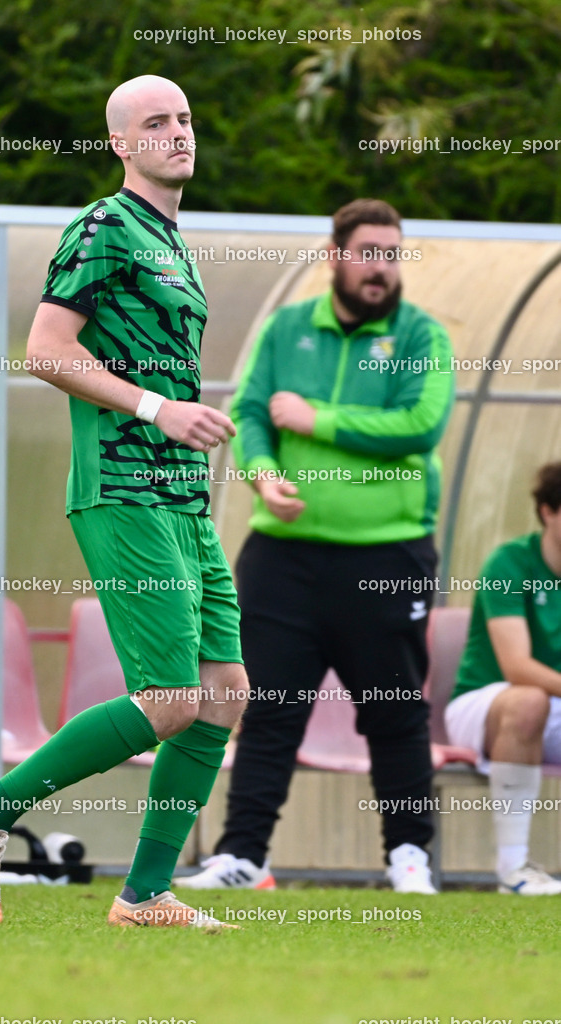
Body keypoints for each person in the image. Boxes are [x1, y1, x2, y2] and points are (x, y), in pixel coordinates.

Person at [0, 75, 247, 929]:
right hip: (122, 487)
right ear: (120, 143)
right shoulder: (105, 226)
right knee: (170, 699)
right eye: (157, 123)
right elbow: (45, 349)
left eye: (185, 119)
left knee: (222, 692)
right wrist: (156, 409)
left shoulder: (170, 238)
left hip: (182, 499)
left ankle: (145, 896)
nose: (178, 133)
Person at [176, 198, 454, 894]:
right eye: (367, 253)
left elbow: (420, 424)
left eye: (391, 255)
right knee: (267, 708)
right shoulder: (286, 327)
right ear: (334, 257)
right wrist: (263, 475)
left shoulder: (421, 335)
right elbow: (250, 411)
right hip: (283, 556)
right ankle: (243, 857)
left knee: (394, 708)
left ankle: (409, 857)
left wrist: (317, 419)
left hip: (388, 555)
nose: (380, 268)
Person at [445, 462, 561, 895]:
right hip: (485, 705)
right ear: (548, 511)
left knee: (537, 702)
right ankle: (513, 870)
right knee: (529, 700)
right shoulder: (509, 563)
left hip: (553, 707)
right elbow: (517, 667)